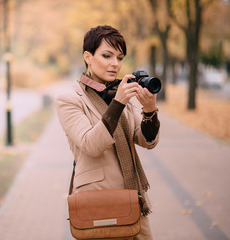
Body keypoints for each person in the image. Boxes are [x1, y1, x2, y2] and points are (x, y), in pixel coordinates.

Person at [55, 25, 160, 239]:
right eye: (107, 55)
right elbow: (91, 145)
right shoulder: (70, 100)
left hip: (134, 200)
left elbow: (145, 140)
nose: (115, 64)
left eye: (120, 58)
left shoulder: (118, 92)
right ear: (88, 56)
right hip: (99, 203)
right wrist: (119, 102)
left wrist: (149, 110)